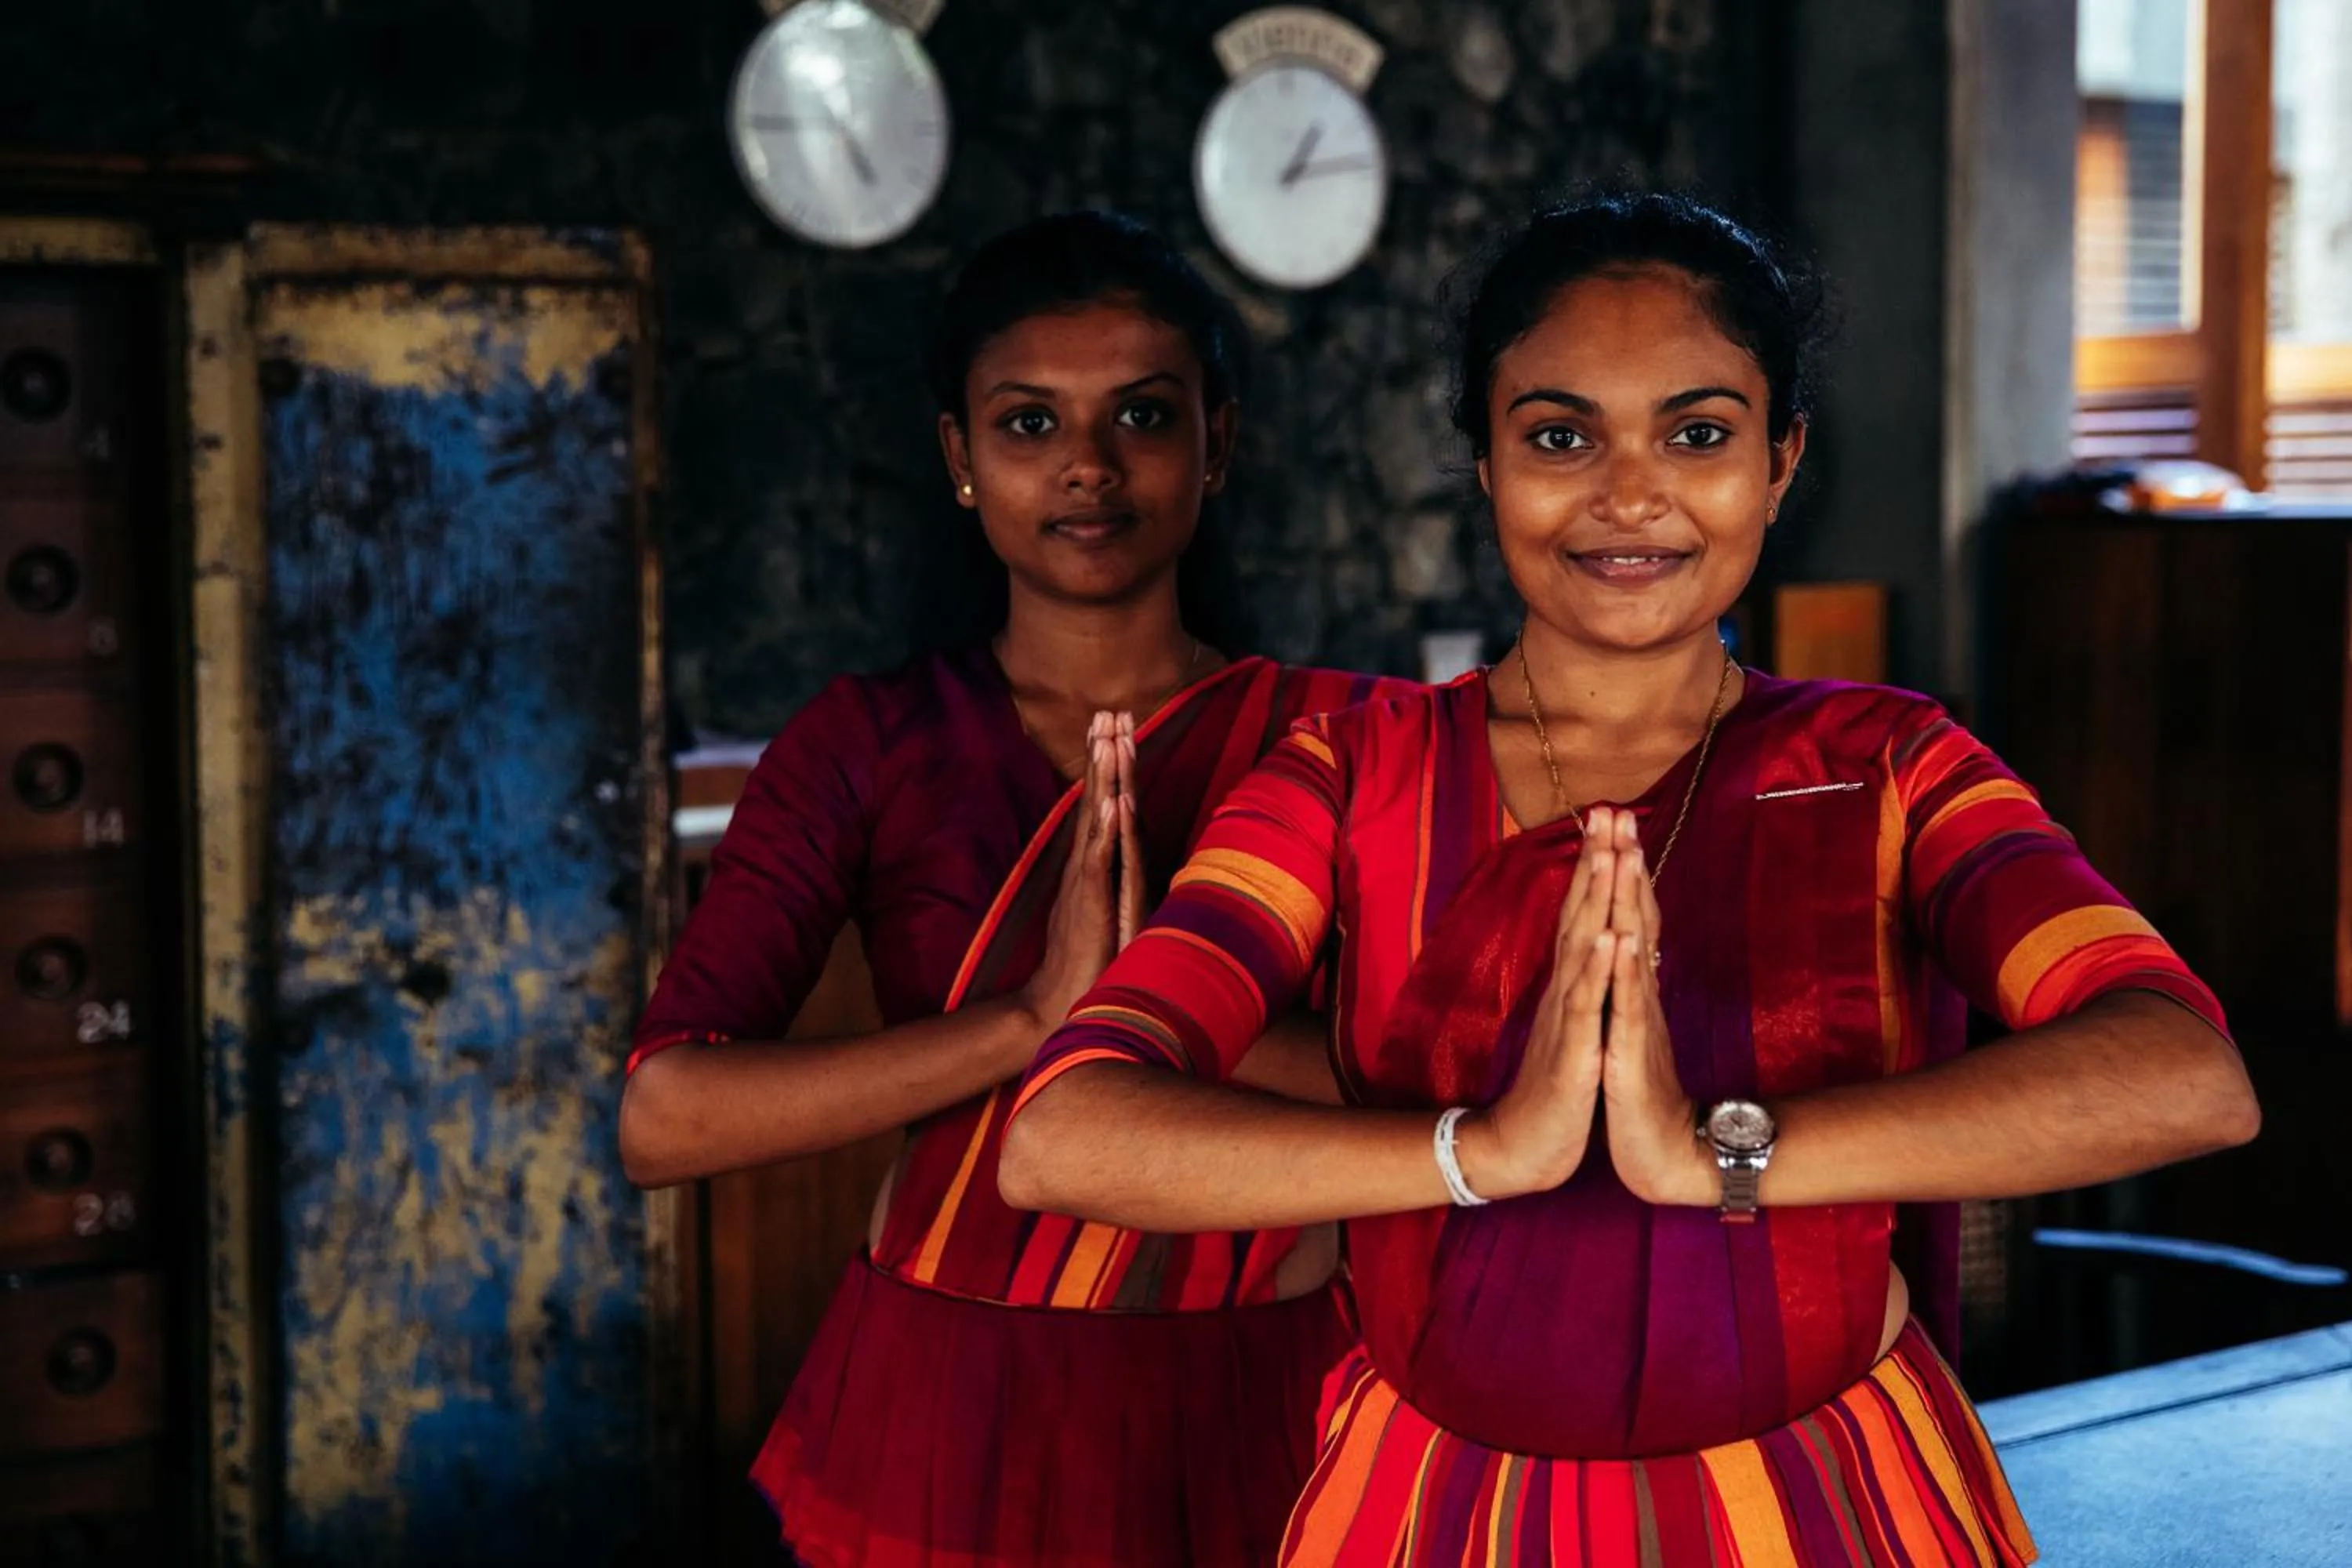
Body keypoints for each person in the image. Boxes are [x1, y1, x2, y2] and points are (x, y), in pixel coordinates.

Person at [1002, 192, 2259, 1566]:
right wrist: (1483, 1151)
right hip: (1434, 1514)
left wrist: (1713, 1153)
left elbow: (2185, 1072)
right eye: (1560, 437)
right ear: (1486, 464)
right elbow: (1063, 1133)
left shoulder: (1893, 767)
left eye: (1698, 434)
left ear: (1781, 462)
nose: (1629, 495)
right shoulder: (1347, 777)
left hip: (1832, 1507)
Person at [619, 210, 1406, 1567]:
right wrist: (1030, 1021)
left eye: (1142, 416)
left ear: (1216, 442)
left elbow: (1438, 1095)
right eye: (1030, 423)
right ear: (960, 459)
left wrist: (1157, 1003)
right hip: (948, 1395)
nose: (1088, 465)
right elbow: (665, 1117)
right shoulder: (866, 744)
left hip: (1269, 1383)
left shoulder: (1350, 738)